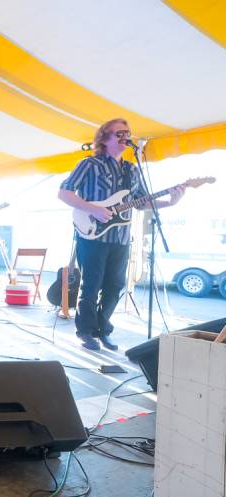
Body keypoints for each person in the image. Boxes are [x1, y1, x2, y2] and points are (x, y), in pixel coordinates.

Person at [58, 118, 184, 351]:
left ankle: (102, 330)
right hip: (92, 234)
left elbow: (142, 203)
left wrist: (170, 202)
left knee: (115, 286)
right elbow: (64, 193)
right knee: (91, 285)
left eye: (127, 132)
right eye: (119, 133)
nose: (125, 136)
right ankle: (85, 331)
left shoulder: (132, 169)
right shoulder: (89, 164)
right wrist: (94, 208)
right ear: (104, 139)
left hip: (122, 238)